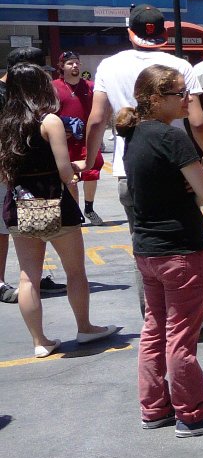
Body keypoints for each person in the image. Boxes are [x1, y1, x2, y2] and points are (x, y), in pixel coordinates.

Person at [116, 64, 203, 437]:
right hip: (181, 250)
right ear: (155, 98)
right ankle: (193, 414)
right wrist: (189, 190)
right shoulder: (173, 138)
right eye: (179, 94)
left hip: (147, 250)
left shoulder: (133, 134)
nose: (187, 99)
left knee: (154, 330)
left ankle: (154, 408)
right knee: (181, 336)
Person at [84, 4, 203, 327]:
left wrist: (88, 163)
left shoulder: (109, 65)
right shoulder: (179, 66)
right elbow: (198, 122)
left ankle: (154, 317)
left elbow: (97, 120)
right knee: (181, 241)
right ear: (163, 34)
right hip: (177, 169)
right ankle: (188, 314)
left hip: (129, 168)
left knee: (143, 245)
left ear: (130, 31)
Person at [0, 64, 118, 357]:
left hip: (20, 205)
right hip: (55, 203)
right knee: (75, 271)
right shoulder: (49, 121)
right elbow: (65, 172)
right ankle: (85, 327)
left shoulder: (5, 123)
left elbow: (3, 174)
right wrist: (76, 170)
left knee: (28, 276)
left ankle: (40, 341)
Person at [0, 47, 69, 304]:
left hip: (22, 178)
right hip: (11, 175)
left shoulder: (15, 93)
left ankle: (34, 278)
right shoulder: (4, 95)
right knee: (3, 228)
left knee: (31, 232)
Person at [53, 51, 104, 225]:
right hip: (64, 140)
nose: (75, 65)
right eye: (70, 63)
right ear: (62, 66)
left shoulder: (90, 86)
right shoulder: (53, 87)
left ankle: (89, 208)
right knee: (69, 177)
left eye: (76, 62)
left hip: (87, 139)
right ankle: (74, 212)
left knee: (92, 171)